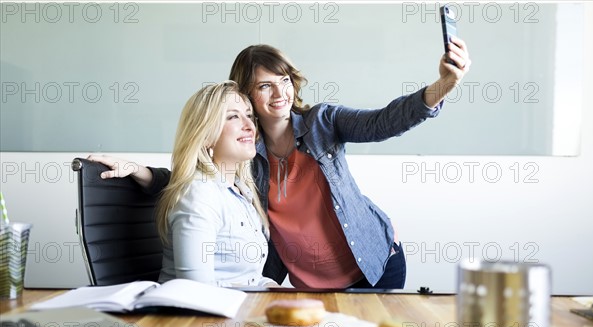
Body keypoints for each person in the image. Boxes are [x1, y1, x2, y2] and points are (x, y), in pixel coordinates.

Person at [90, 39, 471, 289]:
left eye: (284, 80)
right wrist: (139, 172)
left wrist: (443, 85)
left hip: (374, 265)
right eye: (265, 86)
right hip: (309, 284)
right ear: (247, 95)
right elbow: (195, 178)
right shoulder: (243, 154)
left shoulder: (323, 122)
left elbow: (384, 121)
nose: (280, 93)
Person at [154, 81, 276, 287]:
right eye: (233, 116)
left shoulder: (241, 191)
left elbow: (250, 279)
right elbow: (197, 291)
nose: (250, 126)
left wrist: (285, 295)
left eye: (248, 115)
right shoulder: (199, 193)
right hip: (200, 317)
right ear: (206, 136)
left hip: (240, 311)